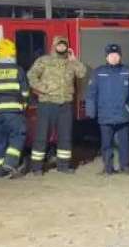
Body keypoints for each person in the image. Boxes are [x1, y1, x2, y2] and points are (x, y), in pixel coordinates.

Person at [26, 35, 88, 175]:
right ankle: (37, 167)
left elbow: (82, 73)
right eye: (59, 45)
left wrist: (74, 60)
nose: (61, 47)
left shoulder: (71, 63)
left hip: (65, 105)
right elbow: (31, 76)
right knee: (42, 136)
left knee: (65, 137)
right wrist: (43, 88)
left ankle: (63, 166)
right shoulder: (44, 61)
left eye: (64, 45)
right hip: (47, 104)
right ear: (54, 46)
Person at [86, 44, 129, 174]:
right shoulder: (98, 72)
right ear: (106, 57)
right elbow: (91, 94)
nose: (114, 57)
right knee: (106, 144)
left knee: (124, 143)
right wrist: (91, 110)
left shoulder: (128, 71)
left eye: (116, 55)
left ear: (120, 56)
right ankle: (108, 168)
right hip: (105, 115)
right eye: (111, 55)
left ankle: (125, 166)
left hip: (123, 114)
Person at [0, 39, 29, 178]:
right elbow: (25, 92)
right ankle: (10, 162)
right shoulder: (18, 70)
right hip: (14, 112)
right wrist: (23, 105)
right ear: (12, 54)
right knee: (18, 136)